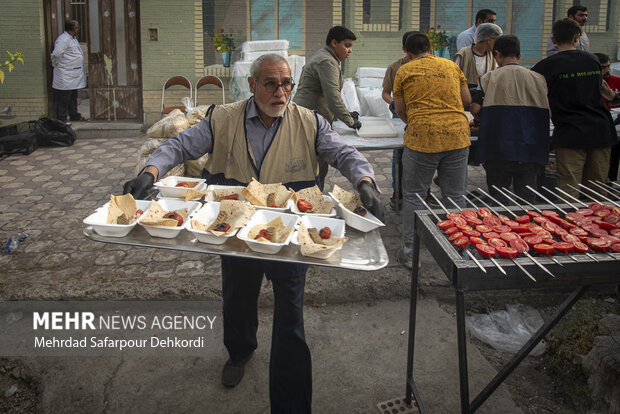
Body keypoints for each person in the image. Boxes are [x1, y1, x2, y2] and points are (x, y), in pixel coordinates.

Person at [122, 54, 383, 413]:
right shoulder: (223, 118)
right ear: (252, 85)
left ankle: (291, 403)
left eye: (287, 83)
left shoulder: (311, 122)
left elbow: (344, 153)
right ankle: (240, 351)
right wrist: (150, 173)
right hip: (236, 229)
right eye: (271, 84)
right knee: (238, 297)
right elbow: (179, 146)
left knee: (290, 313)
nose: (281, 92)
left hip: (291, 234)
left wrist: (365, 182)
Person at [393, 33, 471, 269]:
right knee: (455, 195)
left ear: (407, 51)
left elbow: (400, 110)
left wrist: (418, 121)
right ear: (431, 49)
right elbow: (466, 100)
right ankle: (461, 251)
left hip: (422, 137)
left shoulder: (404, 71)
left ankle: (410, 252)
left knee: (415, 195)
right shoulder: (451, 66)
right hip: (457, 135)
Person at [532, 19, 617, 197]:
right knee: (597, 188)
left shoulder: (547, 66)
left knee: (568, 188)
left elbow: (531, 88)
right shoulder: (593, 60)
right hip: (600, 129)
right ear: (577, 37)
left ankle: (568, 221)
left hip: (570, 132)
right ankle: (595, 223)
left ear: (554, 40)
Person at [471, 35, 550, 203]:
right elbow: (547, 113)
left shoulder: (488, 78)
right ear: (519, 55)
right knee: (527, 197)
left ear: (497, 53)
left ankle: (501, 226)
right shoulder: (539, 79)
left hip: (498, 149)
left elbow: (475, 109)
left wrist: (480, 117)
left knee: (499, 199)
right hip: (530, 149)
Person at [293, 26, 361, 190]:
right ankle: (311, 203)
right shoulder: (327, 61)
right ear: (334, 43)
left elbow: (327, 94)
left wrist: (341, 115)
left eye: (351, 46)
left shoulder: (328, 58)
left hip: (312, 116)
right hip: (308, 118)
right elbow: (332, 97)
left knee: (315, 164)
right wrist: (349, 121)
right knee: (314, 166)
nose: (349, 50)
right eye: (346, 45)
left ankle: (312, 199)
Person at [381, 31, 416, 210]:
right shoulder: (395, 67)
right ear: (405, 50)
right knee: (400, 156)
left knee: (421, 156)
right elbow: (385, 93)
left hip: (422, 116)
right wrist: (394, 103)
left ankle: (421, 192)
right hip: (400, 116)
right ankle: (398, 193)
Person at [51, 19, 87, 125]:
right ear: (72, 29)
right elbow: (56, 54)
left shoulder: (73, 38)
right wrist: (56, 64)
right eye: (77, 28)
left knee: (72, 97)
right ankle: (62, 118)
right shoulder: (63, 39)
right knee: (63, 98)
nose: (78, 29)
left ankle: (74, 114)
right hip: (65, 74)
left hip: (73, 74)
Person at [594, 53, 620, 181]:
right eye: (603, 67)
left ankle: (611, 179)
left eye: (608, 66)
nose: (607, 70)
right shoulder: (590, 85)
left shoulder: (616, 81)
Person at [454, 23, 503, 88]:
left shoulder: (492, 57)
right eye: (497, 41)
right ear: (489, 40)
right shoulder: (463, 54)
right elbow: (454, 77)